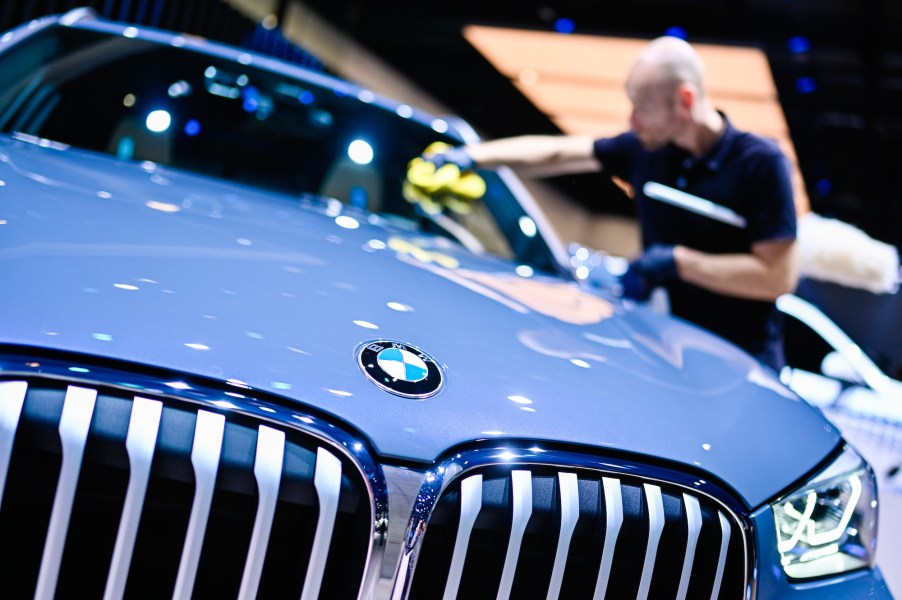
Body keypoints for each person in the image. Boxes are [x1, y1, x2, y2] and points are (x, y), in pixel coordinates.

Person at [426, 36, 799, 371]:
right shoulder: (644, 150)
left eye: (642, 108)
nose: (632, 121)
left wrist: (676, 261)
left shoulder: (760, 162)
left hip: (742, 361)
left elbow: (776, 278)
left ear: (685, 100)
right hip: (666, 343)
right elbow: (557, 152)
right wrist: (473, 156)